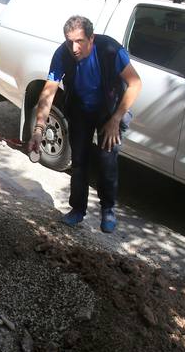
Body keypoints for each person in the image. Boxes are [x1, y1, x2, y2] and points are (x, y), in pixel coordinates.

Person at [28, 16, 142, 233]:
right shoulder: (63, 53)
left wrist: (116, 119)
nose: (74, 47)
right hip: (80, 109)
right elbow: (48, 92)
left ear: (91, 38)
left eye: (79, 41)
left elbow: (135, 83)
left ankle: (108, 209)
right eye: (69, 41)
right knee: (79, 161)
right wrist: (39, 129)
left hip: (109, 110)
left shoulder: (109, 49)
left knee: (107, 160)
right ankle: (77, 209)